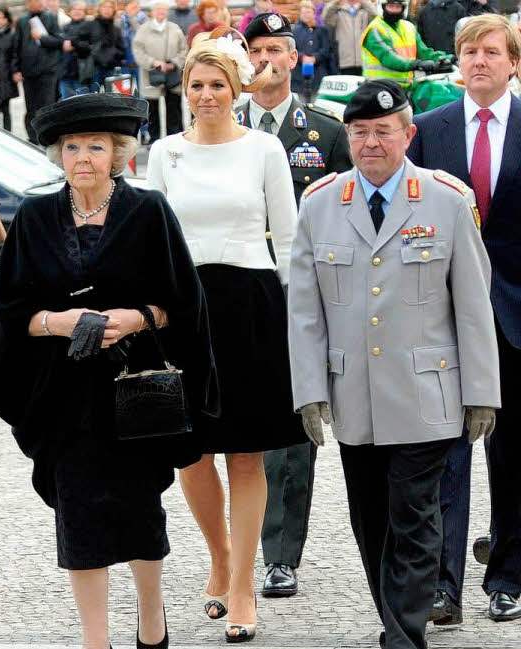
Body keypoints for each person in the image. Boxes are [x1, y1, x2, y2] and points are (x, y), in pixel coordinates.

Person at [0, 91, 217, 649]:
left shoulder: (148, 212)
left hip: (134, 394)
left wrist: (136, 317)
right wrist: (59, 323)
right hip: (62, 396)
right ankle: (93, 647)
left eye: (95, 147)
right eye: (71, 147)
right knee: (79, 519)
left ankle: (151, 611)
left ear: (118, 154)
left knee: (139, 510)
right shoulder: (35, 219)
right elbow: (11, 314)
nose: (82, 157)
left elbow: (184, 305)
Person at [289, 79, 500, 649]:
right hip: (355, 396)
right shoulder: (320, 204)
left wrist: (481, 391)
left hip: (426, 395)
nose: (370, 142)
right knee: (371, 522)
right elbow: (304, 310)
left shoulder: (443, 201)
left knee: (414, 516)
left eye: (384, 131)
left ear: (409, 135)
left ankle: (407, 644)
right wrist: (309, 390)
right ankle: (396, 631)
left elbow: (472, 305)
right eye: (359, 133)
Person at [148, 30, 304, 643]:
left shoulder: (264, 149)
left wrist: (299, 319)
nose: (206, 95)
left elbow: (289, 241)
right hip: (185, 308)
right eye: (196, 85)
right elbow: (152, 239)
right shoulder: (164, 153)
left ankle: (242, 583)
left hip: (251, 303)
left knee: (246, 450)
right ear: (184, 91)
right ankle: (217, 556)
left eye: (217, 84)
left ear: (236, 89)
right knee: (191, 450)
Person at [407, 14, 521, 624]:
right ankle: (441, 586)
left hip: (516, 318)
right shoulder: (428, 131)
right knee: (444, 458)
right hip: (443, 319)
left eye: (492, 51)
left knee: (513, 456)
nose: (479, 59)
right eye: (470, 50)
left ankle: (506, 575)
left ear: (513, 63)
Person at [235, 12, 352, 599]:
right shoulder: (220, 126)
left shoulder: (326, 135)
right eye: (255, 48)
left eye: (276, 49)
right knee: (231, 424)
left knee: (290, 424)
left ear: (295, 58)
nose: (265, 59)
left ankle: (281, 552)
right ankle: (233, 551)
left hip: (296, 293)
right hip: (232, 292)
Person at [12, 0, 68, 144]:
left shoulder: (50, 18)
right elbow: (16, 46)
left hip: (47, 71)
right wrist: (16, 69)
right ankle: (32, 138)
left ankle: (47, 137)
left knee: (47, 106)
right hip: (28, 71)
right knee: (30, 107)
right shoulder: (23, 21)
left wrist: (42, 38)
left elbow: (59, 41)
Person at [361, 0, 451, 90]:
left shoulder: (409, 27)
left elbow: (424, 52)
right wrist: (418, 64)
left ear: (403, 8)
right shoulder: (375, 29)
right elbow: (388, 58)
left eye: (398, 7)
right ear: (382, 7)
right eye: (391, 6)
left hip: (406, 86)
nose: (394, 10)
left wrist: (447, 58)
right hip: (380, 87)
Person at [133, 0, 187, 139]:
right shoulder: (143, 29)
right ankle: (154, 140)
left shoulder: (175, 28)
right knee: (153, 112)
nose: (161, 12)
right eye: (158, 10)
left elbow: (183, 49)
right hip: (151, 75)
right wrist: (153, 62)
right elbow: (138, 50)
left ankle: (174, 139)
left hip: (172, 75)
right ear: (152, 12)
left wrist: (174, 63)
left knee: (174, 110)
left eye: (164, 10)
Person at [291, 0, 338, 100]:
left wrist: (315, 58)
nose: (306, 15)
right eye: (303, 13)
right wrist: (302, 57)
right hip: (299, 78)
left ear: (313, 13)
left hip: (319, 75)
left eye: (308, 12)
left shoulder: (322, 30)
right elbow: (291, 49)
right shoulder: (295, 31)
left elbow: (327, 50)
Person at [324, 0, 377, 75]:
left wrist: (364, 2)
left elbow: (376, 16)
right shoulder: (339, 13)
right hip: (345, 61)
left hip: (364, 61)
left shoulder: (365, 12)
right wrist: (336, 2)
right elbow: (326, 16)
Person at [85, 0, 127, 89]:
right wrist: (91, 52)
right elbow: (79, 41)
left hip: (112, 69)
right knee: (94, 99)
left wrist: (115, 55)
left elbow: (122, 48)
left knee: (113, 99)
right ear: (99, 9)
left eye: (110, 7)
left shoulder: (116, 28)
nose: (107, 9)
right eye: (104, 7)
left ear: (114, 10)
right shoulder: (90, 24)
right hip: (94, 68)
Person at [59, 1, 93, 99]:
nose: (77, 12)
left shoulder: (90, 26)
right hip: (65, 74)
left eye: (80, 9)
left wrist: (73, 44)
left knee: (83, 105)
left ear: (85, 12)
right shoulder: (65, 27)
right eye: (74, 9)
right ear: (70, 11)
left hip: (82, 75)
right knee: (66, 106)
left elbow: (90, 47)